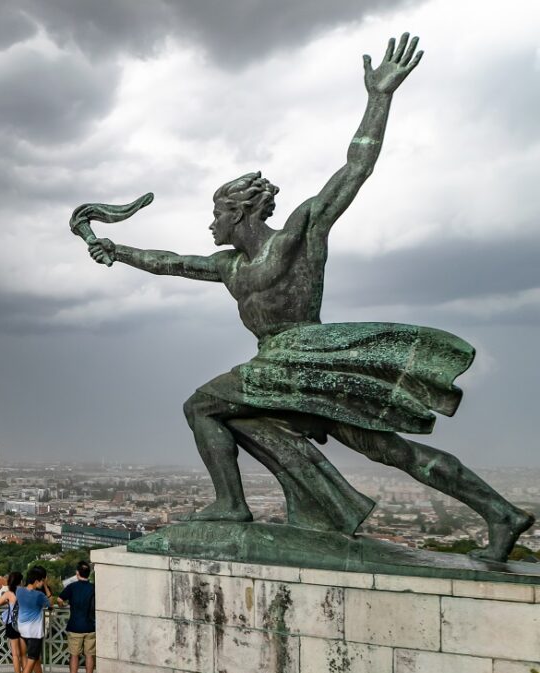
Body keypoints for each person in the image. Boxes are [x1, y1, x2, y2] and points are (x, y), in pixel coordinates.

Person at [85, 32, 533, 560]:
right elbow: (171, 262)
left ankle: (231, 504)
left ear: (240, 213)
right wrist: (116, 249)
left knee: (202, 406)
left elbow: (354, 171)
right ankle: (501, 513)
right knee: (387, 449)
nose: (211, 224)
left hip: (305, 355)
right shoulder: (228, 266)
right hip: (284, 367)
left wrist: (379, 98)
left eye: (217, 214)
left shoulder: (299, 233)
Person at [13, 566, 51, 673]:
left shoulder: (19, 591)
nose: (43, 582)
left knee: (35, 659)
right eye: (42, 580)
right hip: (34, 632)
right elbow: (50, 604)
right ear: (37, 581)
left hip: (22, 631)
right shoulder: (39, 595)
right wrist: (46, 587)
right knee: (31, 660)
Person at [59, 561, 95, 673]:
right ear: (88, 574)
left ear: (77, 573)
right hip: (90, 626)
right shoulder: (93, 587)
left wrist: (64, 605)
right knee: (90, 655)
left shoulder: (72, 587)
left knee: (74, 655)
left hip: (75, 626)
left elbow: (59, 600)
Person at [0, 571, 25, 673]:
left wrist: (6, 602)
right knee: (24, 654)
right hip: (24, 626)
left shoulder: (9, 594)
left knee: (15, 654)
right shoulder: (25, 593)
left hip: (12, 625)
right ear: (20, 581)